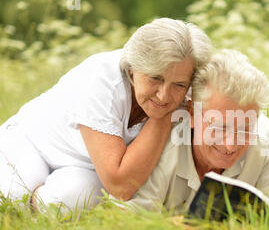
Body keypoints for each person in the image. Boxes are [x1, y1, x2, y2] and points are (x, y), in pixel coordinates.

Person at [0, 18, 212, 214]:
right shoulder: (100, 79)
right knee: (13, 199)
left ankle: (37, 206)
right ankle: (28, 204)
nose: (164, 95)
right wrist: (165, 115)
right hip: (29, 144)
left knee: (76, 198)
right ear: (133, 69)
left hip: (84, 166)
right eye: (155, 78)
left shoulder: (188, 90)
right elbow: (121, 184)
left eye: (179, 84)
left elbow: (121, 187)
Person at [124, 49, 269, 214]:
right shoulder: (163, 145)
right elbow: (125, 218)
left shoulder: (263, 136)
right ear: (192, 113)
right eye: (219, 127)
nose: (230, 145)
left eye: (244, 129)